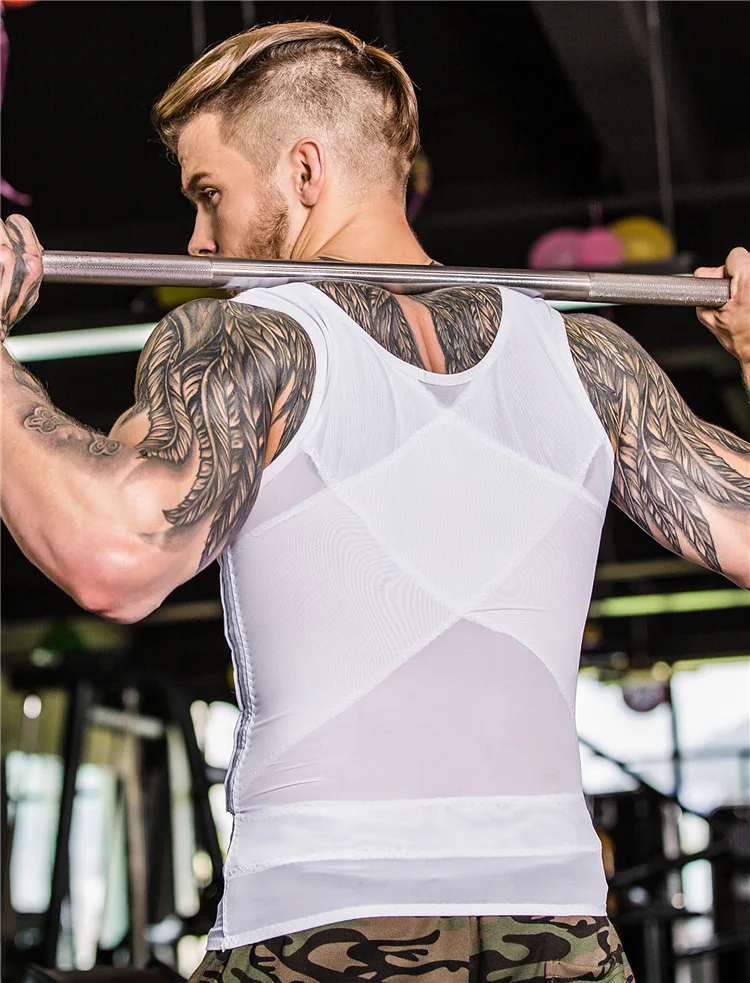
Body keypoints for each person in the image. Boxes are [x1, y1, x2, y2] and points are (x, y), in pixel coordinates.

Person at [1, 20, 749, 983]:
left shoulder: (252, 341)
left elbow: (113, 554)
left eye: (209, 193)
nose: (196, 239)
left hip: (325, 925)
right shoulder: (590, 360)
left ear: (305, 170)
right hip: (559, 936)